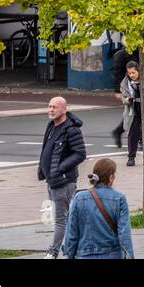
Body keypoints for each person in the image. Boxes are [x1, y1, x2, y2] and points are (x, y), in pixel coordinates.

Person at [37, 96, 87, 260]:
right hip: (52, 179)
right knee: (64, 217)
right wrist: (42, 169)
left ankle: (53, 252)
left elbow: (80, 154)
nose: (51, 110)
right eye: (49, 106)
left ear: (64, 109)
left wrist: (60, 169)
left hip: (64, 180)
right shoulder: (51, 126)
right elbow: (46, 148)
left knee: (60, 219)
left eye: (54, 107)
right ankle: (73, 247)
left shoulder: (71, 129)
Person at [62, 158, 134, 259]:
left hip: (85, 254)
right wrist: (129, 255)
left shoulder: (79, 198)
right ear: (111, 177)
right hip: (113, 254)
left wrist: (68, 253)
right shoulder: (119, 199)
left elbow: (72, 232)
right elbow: (124, 233)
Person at [109, 41, 130, 148]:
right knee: (132, 111)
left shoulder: (135, 52)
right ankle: (119, 131)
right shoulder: (122, 54)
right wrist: (118, 90)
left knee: (135, 112)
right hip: (127, 87)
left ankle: (119, 131)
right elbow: (117, 72)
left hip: (135, 86)